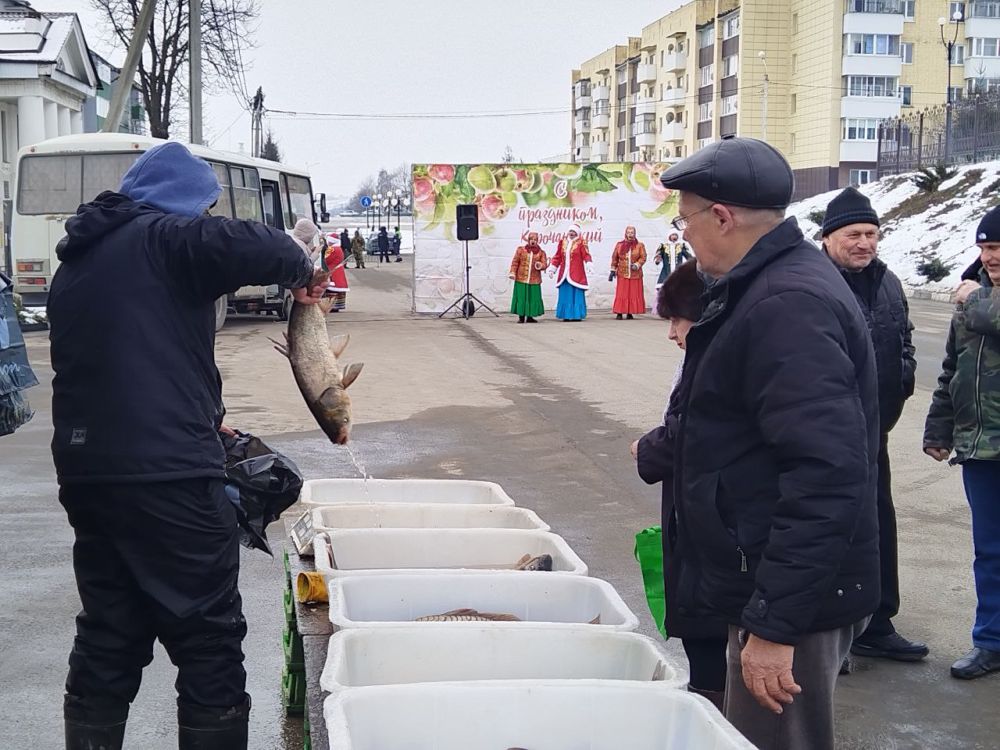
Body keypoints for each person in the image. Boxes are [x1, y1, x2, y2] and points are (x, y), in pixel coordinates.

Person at [46, 141, 326, 750]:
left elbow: (132, 361)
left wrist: (201, 417)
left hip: (90, 475)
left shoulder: (81, 261)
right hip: (167, 477)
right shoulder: (167, 238)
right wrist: (304, 263)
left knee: (109, 634)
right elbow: (261, 247)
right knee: (208, 639)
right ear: (184, 205)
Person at [659, 136, 880, 750]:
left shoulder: (787, 304)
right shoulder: (765, 285)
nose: (687, 237)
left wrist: (777, 626)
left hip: (790, 598)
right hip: (767, 578)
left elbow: (826, 475)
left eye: (687, 221)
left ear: (722, 217)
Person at [820, 187, 926, 664]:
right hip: (824, 435)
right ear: (828, 238)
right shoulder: (814, 281)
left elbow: (903, 342)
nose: (864, 243)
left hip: (874, 429)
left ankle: (877, 622)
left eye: (871, 234)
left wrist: (900, 385)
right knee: (828, 529)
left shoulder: (888, 283)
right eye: (853, 234)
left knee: (877, 524)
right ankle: (829, 635)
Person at [632, 259, 728, 710]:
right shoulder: (701, 358)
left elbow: (689, 435)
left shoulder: (714, 364)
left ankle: (713, 714)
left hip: (712, 526)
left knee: (708, 628)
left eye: (676, 319)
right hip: (696, 517)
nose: (672, 332)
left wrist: (646, 449)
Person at [924, 206, 1000, 681]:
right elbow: (952, 369)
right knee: (990, 550)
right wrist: (939, 427)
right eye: (987, 247)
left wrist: (973, 301)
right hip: (983, 449)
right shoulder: (973, 298)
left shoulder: (973, 299)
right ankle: (990, 641)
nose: (991, 257)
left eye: (998, 248)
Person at [549, 223, 592, 322]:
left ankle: (576, 315)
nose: (571, 233)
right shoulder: (563, 242)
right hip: (564, 274)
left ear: (577, 233)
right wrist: (553, 268)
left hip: (577, 274)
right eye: (570, 231)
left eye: (574, 232)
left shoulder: (581, 243)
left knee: (576, 294)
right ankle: (566, 315)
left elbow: (586, 255)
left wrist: (589, 263)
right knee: (565, 294)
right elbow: (558, 257)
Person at [508, 231, 549, 323]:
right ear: (528, 240)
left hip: (534, 279)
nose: (533, 241)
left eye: (535, 239)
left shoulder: (541, 253)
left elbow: (544, 264)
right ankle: (521, 317)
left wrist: (540, 265)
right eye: (531, 239)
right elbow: (515, 262)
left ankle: (530, 317)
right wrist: (512, 272)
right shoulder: (521, 250)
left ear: (537, 241)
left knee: (532, 297)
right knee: (522, 297)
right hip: (521, 279)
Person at [611, 225, 647, 320]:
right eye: (629, 232)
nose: (630, 234)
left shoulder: (640, 245)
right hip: (622, 273)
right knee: (622, 293)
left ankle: (630, 312)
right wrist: (612, 270)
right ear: (625, 233)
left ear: (635, 234)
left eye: (632, 232)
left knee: (633, 293)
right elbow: (615, 258)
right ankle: (619, 312)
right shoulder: (619, 245)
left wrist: (637, 264)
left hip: (635, 274)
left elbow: (643, 257)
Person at [323, 233, 350, 312]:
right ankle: (338, 305)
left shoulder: (331, 249)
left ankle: (332, 305)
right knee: (338, 287)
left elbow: (326, 259)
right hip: (339, 270)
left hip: (332, 271)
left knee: (332, 288)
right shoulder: (339, 248)